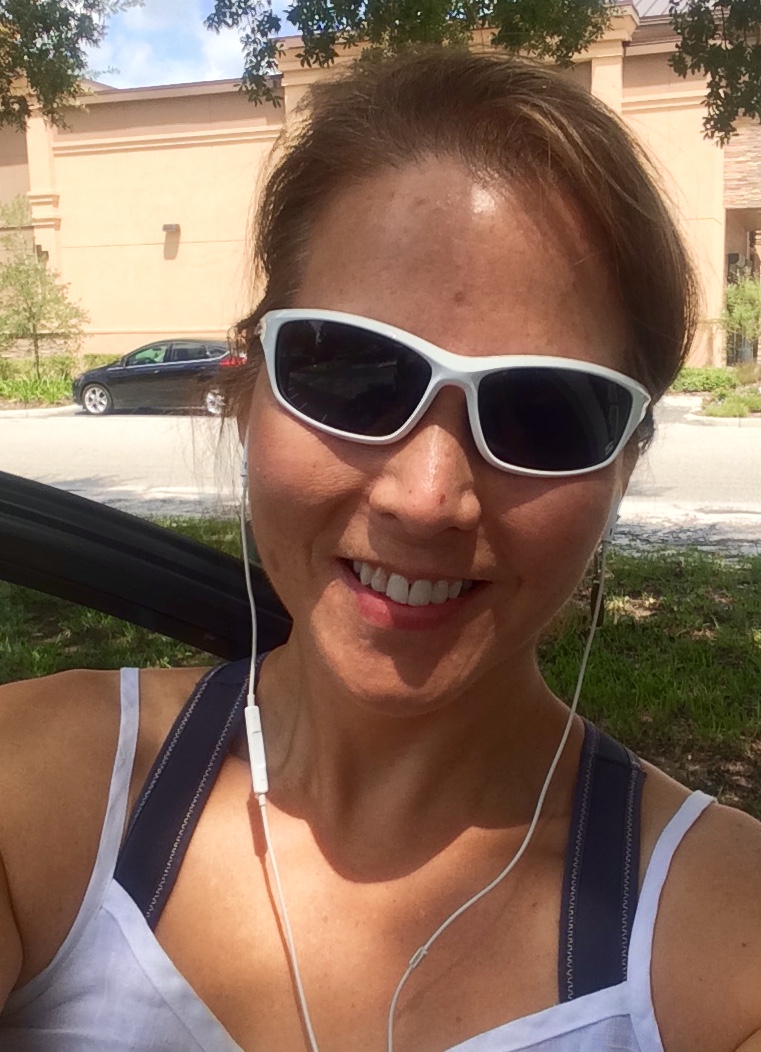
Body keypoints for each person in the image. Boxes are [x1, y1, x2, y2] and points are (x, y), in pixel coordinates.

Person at [1, 47, 760, 1052]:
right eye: (352, 374)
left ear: (623, 463)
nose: (427, 496)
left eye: (543, 411)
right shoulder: (35, 786)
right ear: (248, 390)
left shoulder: (726, 948)